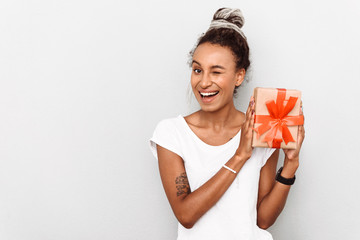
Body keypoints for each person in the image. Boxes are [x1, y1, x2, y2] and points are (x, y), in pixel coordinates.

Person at [149, 7, 305, 240]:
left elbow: (262, 220)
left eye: (216, 72)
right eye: (197, 70)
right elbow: (186, 215)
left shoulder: (260, 129)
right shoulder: (171, 133)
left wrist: (290, 166)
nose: (204, 82)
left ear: (239, 76)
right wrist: (240, 155)